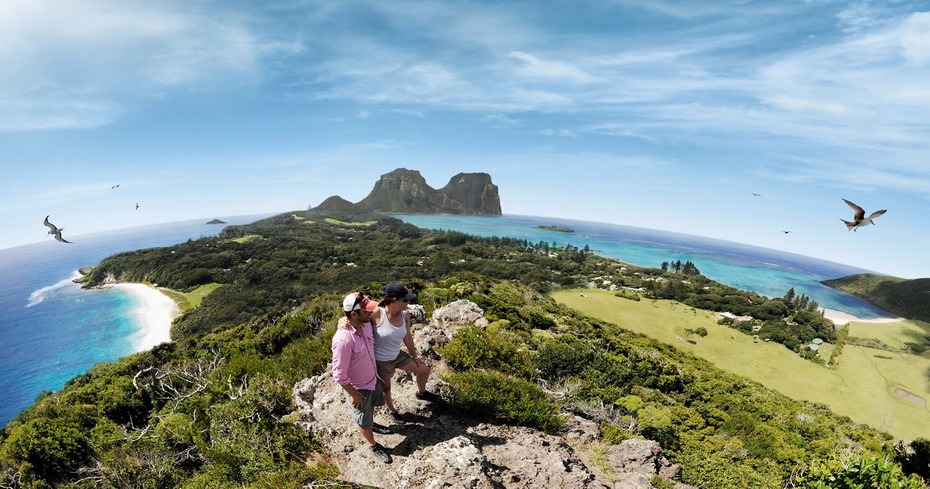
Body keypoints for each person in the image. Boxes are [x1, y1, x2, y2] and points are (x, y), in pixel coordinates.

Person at [331, 291, 393, 464]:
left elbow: (385, 312)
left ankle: (371, 424)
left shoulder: (365, 323)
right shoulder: (343, 340)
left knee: (371, 408)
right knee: (362, 420)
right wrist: (354, 394)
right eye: (366, 311)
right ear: (353, 314)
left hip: (372, 380)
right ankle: (373, 444)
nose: (370, 313)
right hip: (358, 387)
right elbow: (339, 375)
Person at [370, 282, 439, 421]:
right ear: (395, 300)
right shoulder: (376, 314)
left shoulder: (405, 315)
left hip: (397, 354)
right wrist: (343, 321)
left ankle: (422, 393)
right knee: (387, 389)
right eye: (405, 299)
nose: (408, 302)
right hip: (382, 360)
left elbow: (407, 337)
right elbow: (356, 320)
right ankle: (392, 411)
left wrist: (415, 356)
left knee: (424, 370)